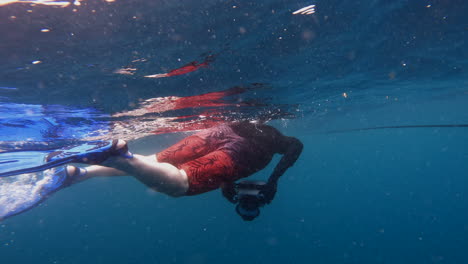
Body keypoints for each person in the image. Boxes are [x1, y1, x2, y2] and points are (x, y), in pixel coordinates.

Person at [65, 121, 303, 218]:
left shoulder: (264, 129)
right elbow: (296, 145)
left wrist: (227, 182)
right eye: (252, 204)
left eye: (244, 205)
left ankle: (80, 174)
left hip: (222, 130)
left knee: (152, 164)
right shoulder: (276, 141)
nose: (248, 201)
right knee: (179, 186)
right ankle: (117, 158)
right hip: (247, 151)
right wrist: (273, 182)